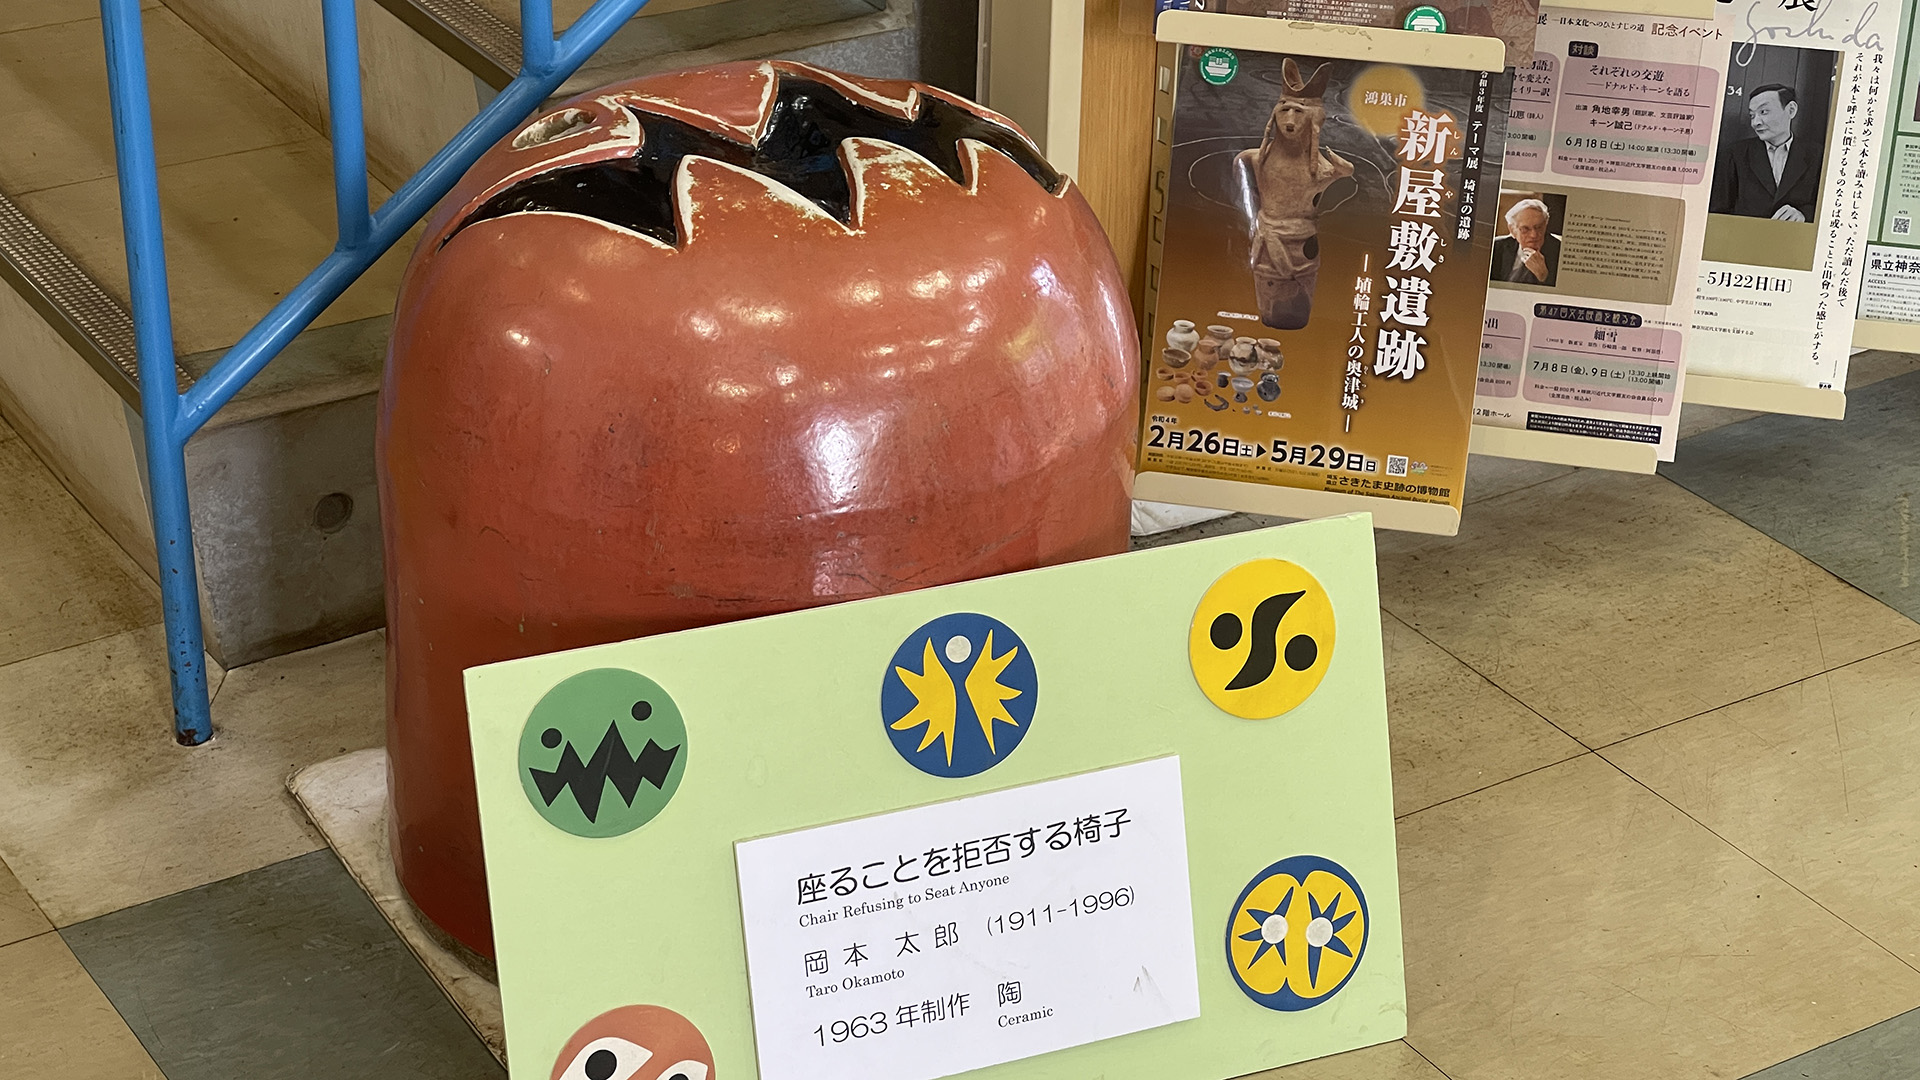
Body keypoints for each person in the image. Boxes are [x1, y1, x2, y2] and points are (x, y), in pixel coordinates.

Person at [1710, 83, 1820, 221]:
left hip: (1795, 233)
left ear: (1791, 110)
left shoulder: (1817, 155)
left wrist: (1804, 215)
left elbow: (1825, 203)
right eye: (1752, 115)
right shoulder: (1734, 154)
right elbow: (1718, 210)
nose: (1755, 123)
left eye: (1763, 112)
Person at [1490, 198, 1560, 287]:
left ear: (1545, 225)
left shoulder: (1559, 251)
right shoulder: (1496, 246)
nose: (1533, 235)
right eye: (1525, 229)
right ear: (1512, 230)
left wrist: (1544, 277)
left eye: (1539, 227)